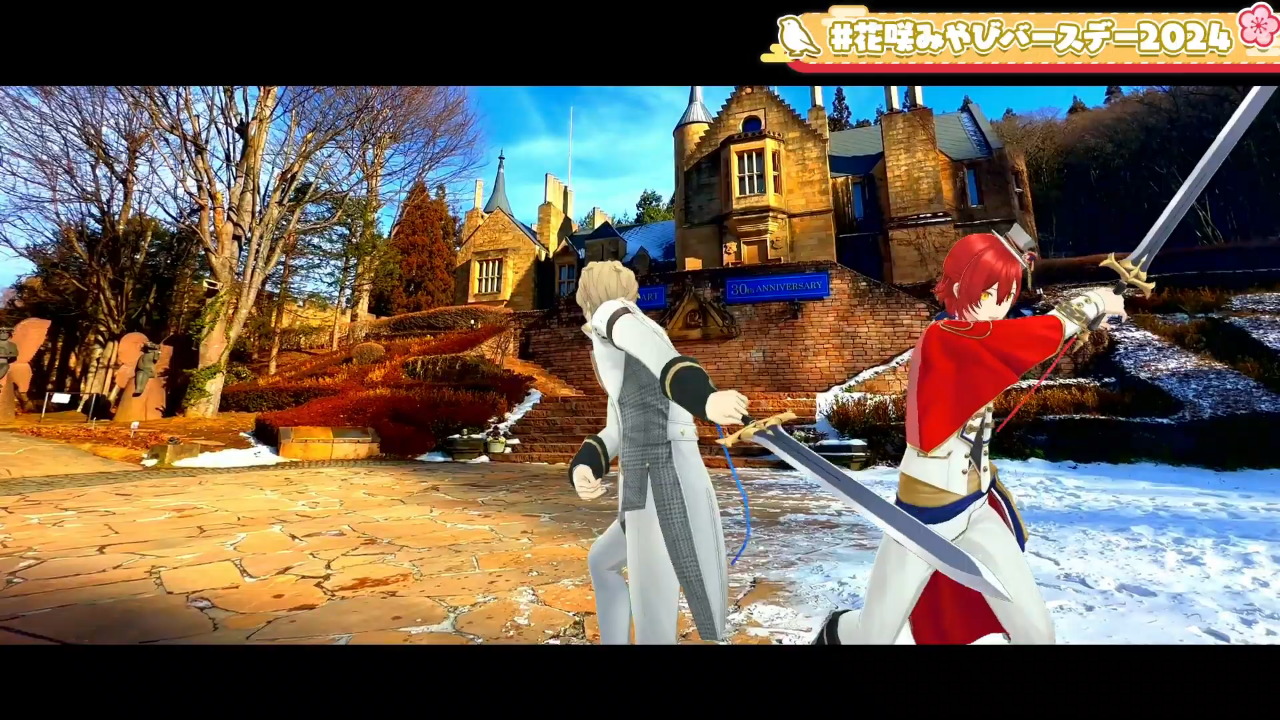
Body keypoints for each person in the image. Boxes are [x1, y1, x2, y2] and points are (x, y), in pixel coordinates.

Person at [814, 231, 1127, 645]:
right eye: (990, 292)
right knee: (872, 637)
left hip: (977, 507)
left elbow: (1016, 341)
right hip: (922, 520)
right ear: (960, 287)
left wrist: (1077, 325)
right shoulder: (945, 339)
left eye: (1008, 293)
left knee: (1037, 633)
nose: (999, 304)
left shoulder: (976, 337)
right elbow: (1024, 339)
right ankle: (837, 629)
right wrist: (1093, 302)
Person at [569, 260, 750, 644]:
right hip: (650, 477)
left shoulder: (611, 315)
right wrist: (586, 465)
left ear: (589, 296)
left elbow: (663, 362)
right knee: (602, 561)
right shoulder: (641, 332)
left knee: (653, 612)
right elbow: (617, 427)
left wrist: (705, 399)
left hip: (657, 478)